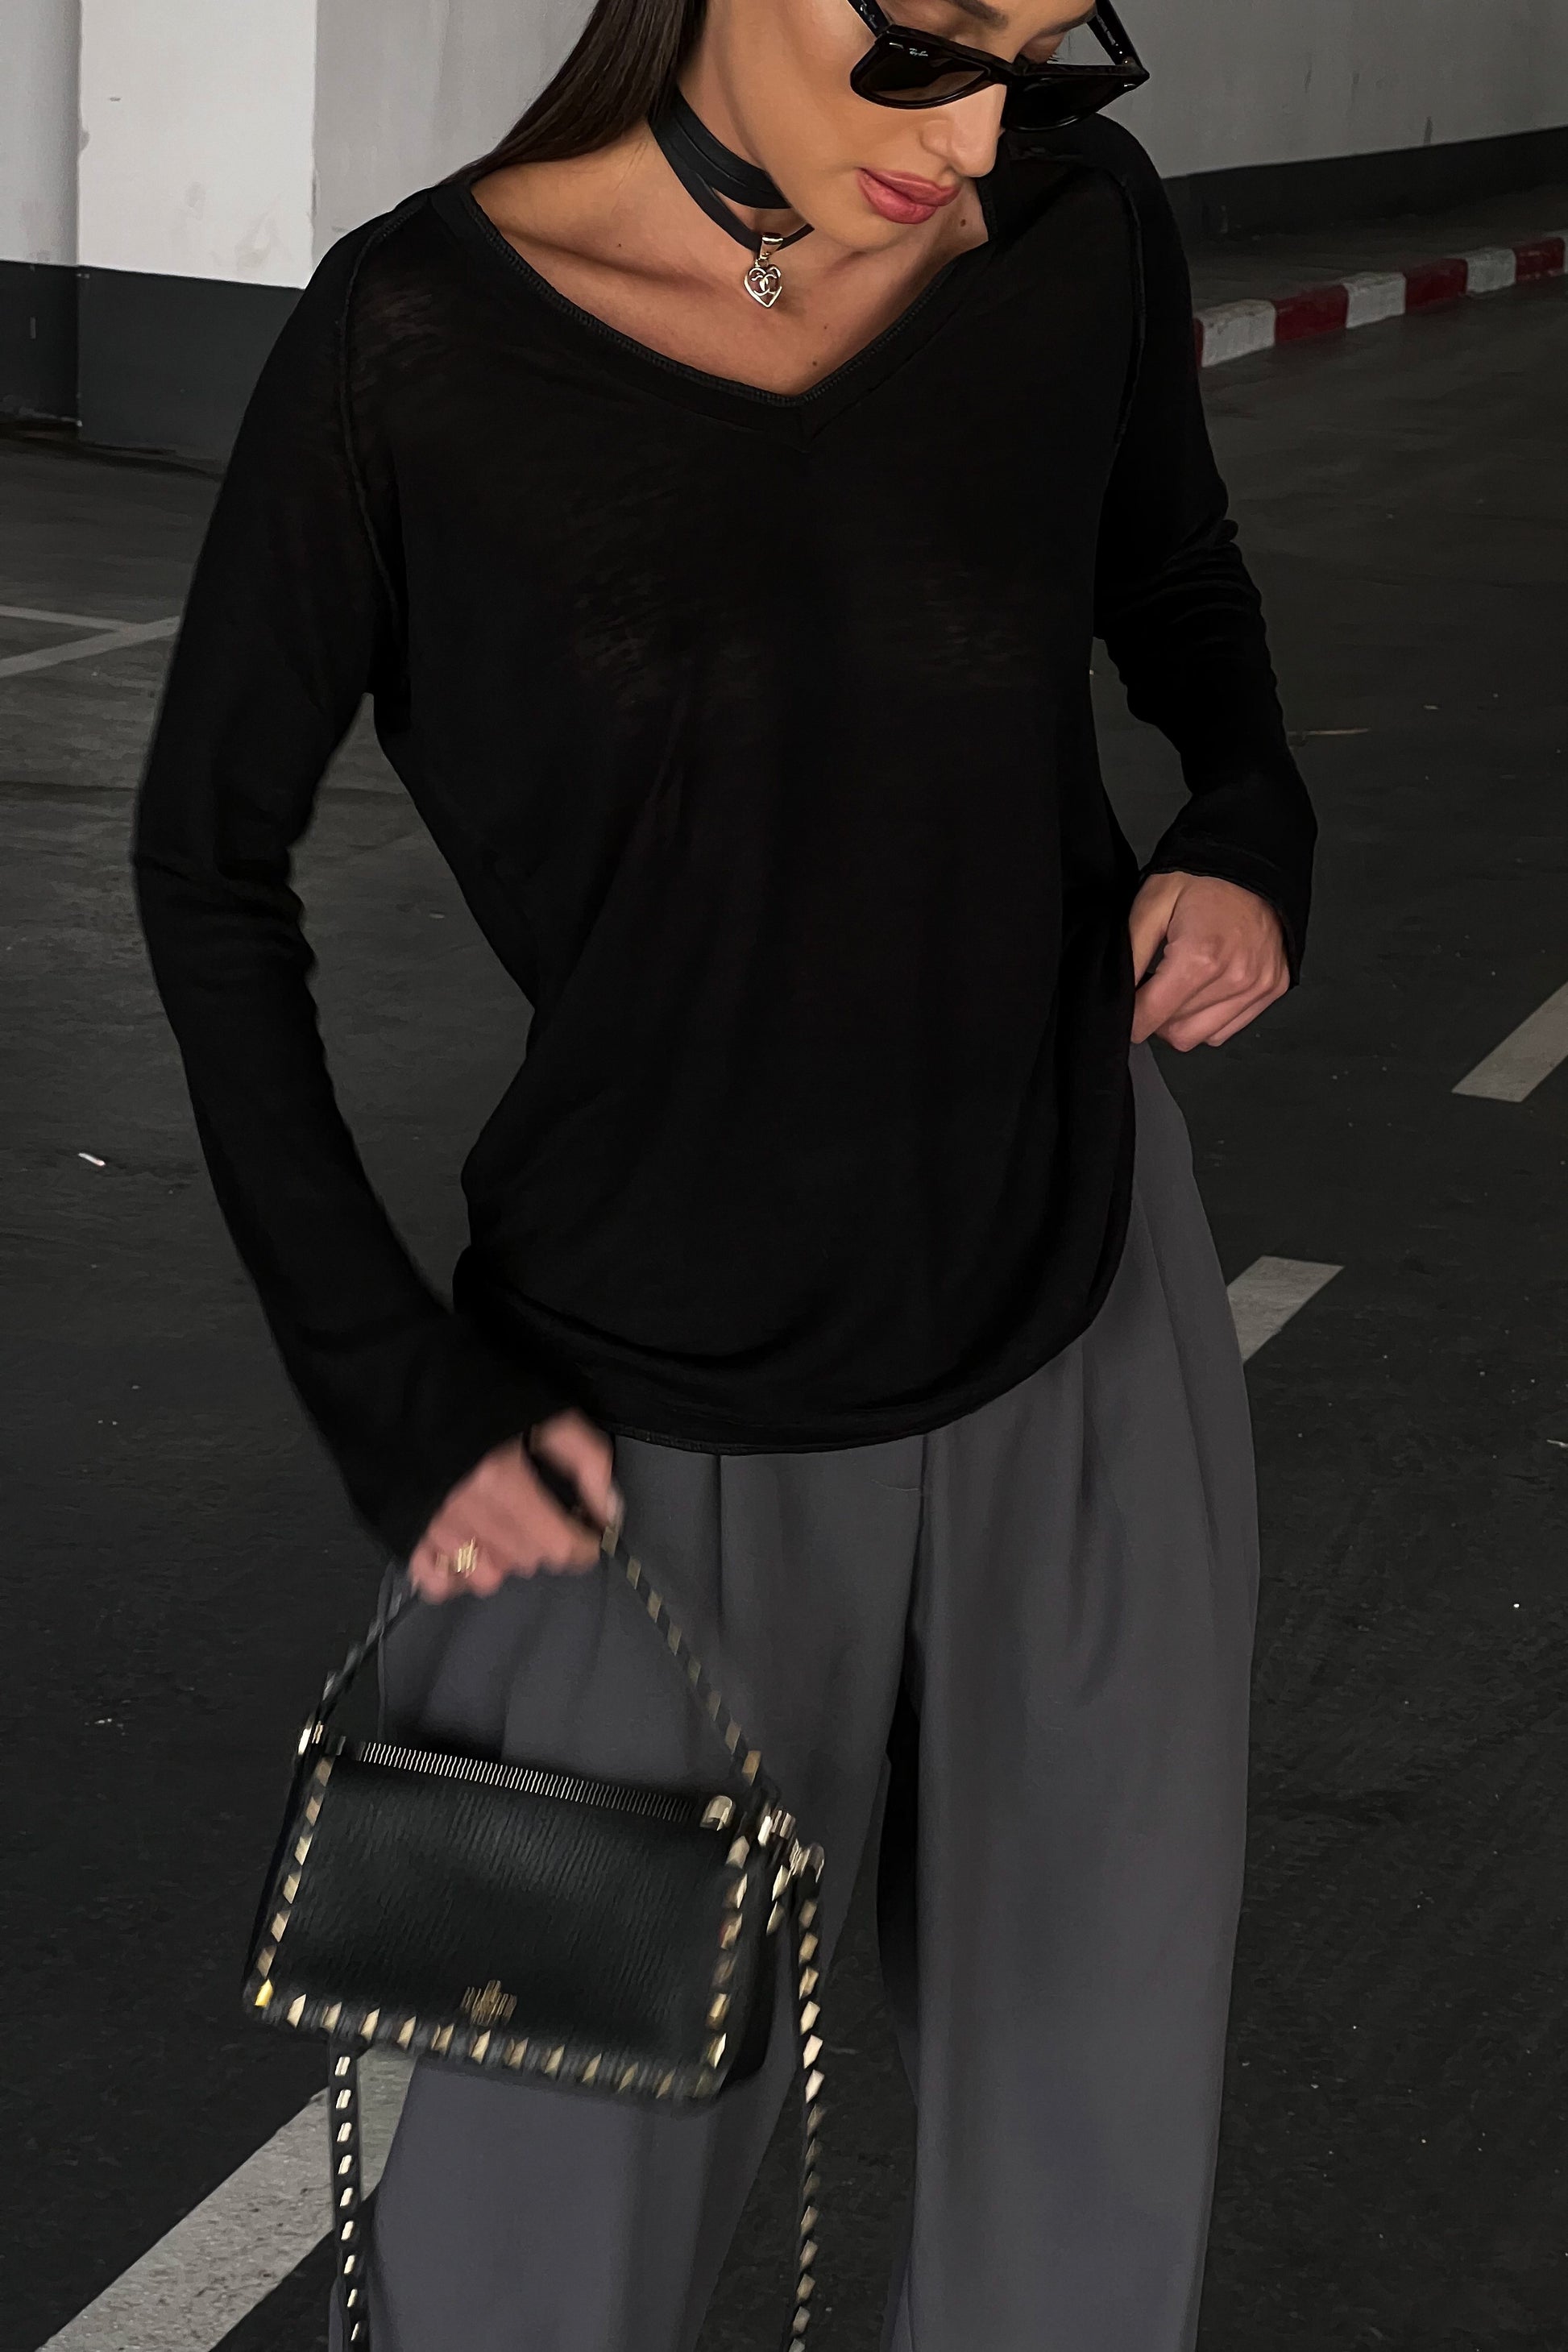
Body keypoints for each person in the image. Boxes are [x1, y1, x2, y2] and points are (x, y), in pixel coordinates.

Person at [131, 0, 1316, 2337]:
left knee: (1087, 2171)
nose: (978, 134)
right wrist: (387, 1385)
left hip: (1083, 1309)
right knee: (541, 2247)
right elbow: (205, 865)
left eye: (1050, 53)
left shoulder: (1071, 236)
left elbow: (1172, 576)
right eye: (929, 48)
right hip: (639, 1424)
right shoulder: (411, 343)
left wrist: (1250, 822)